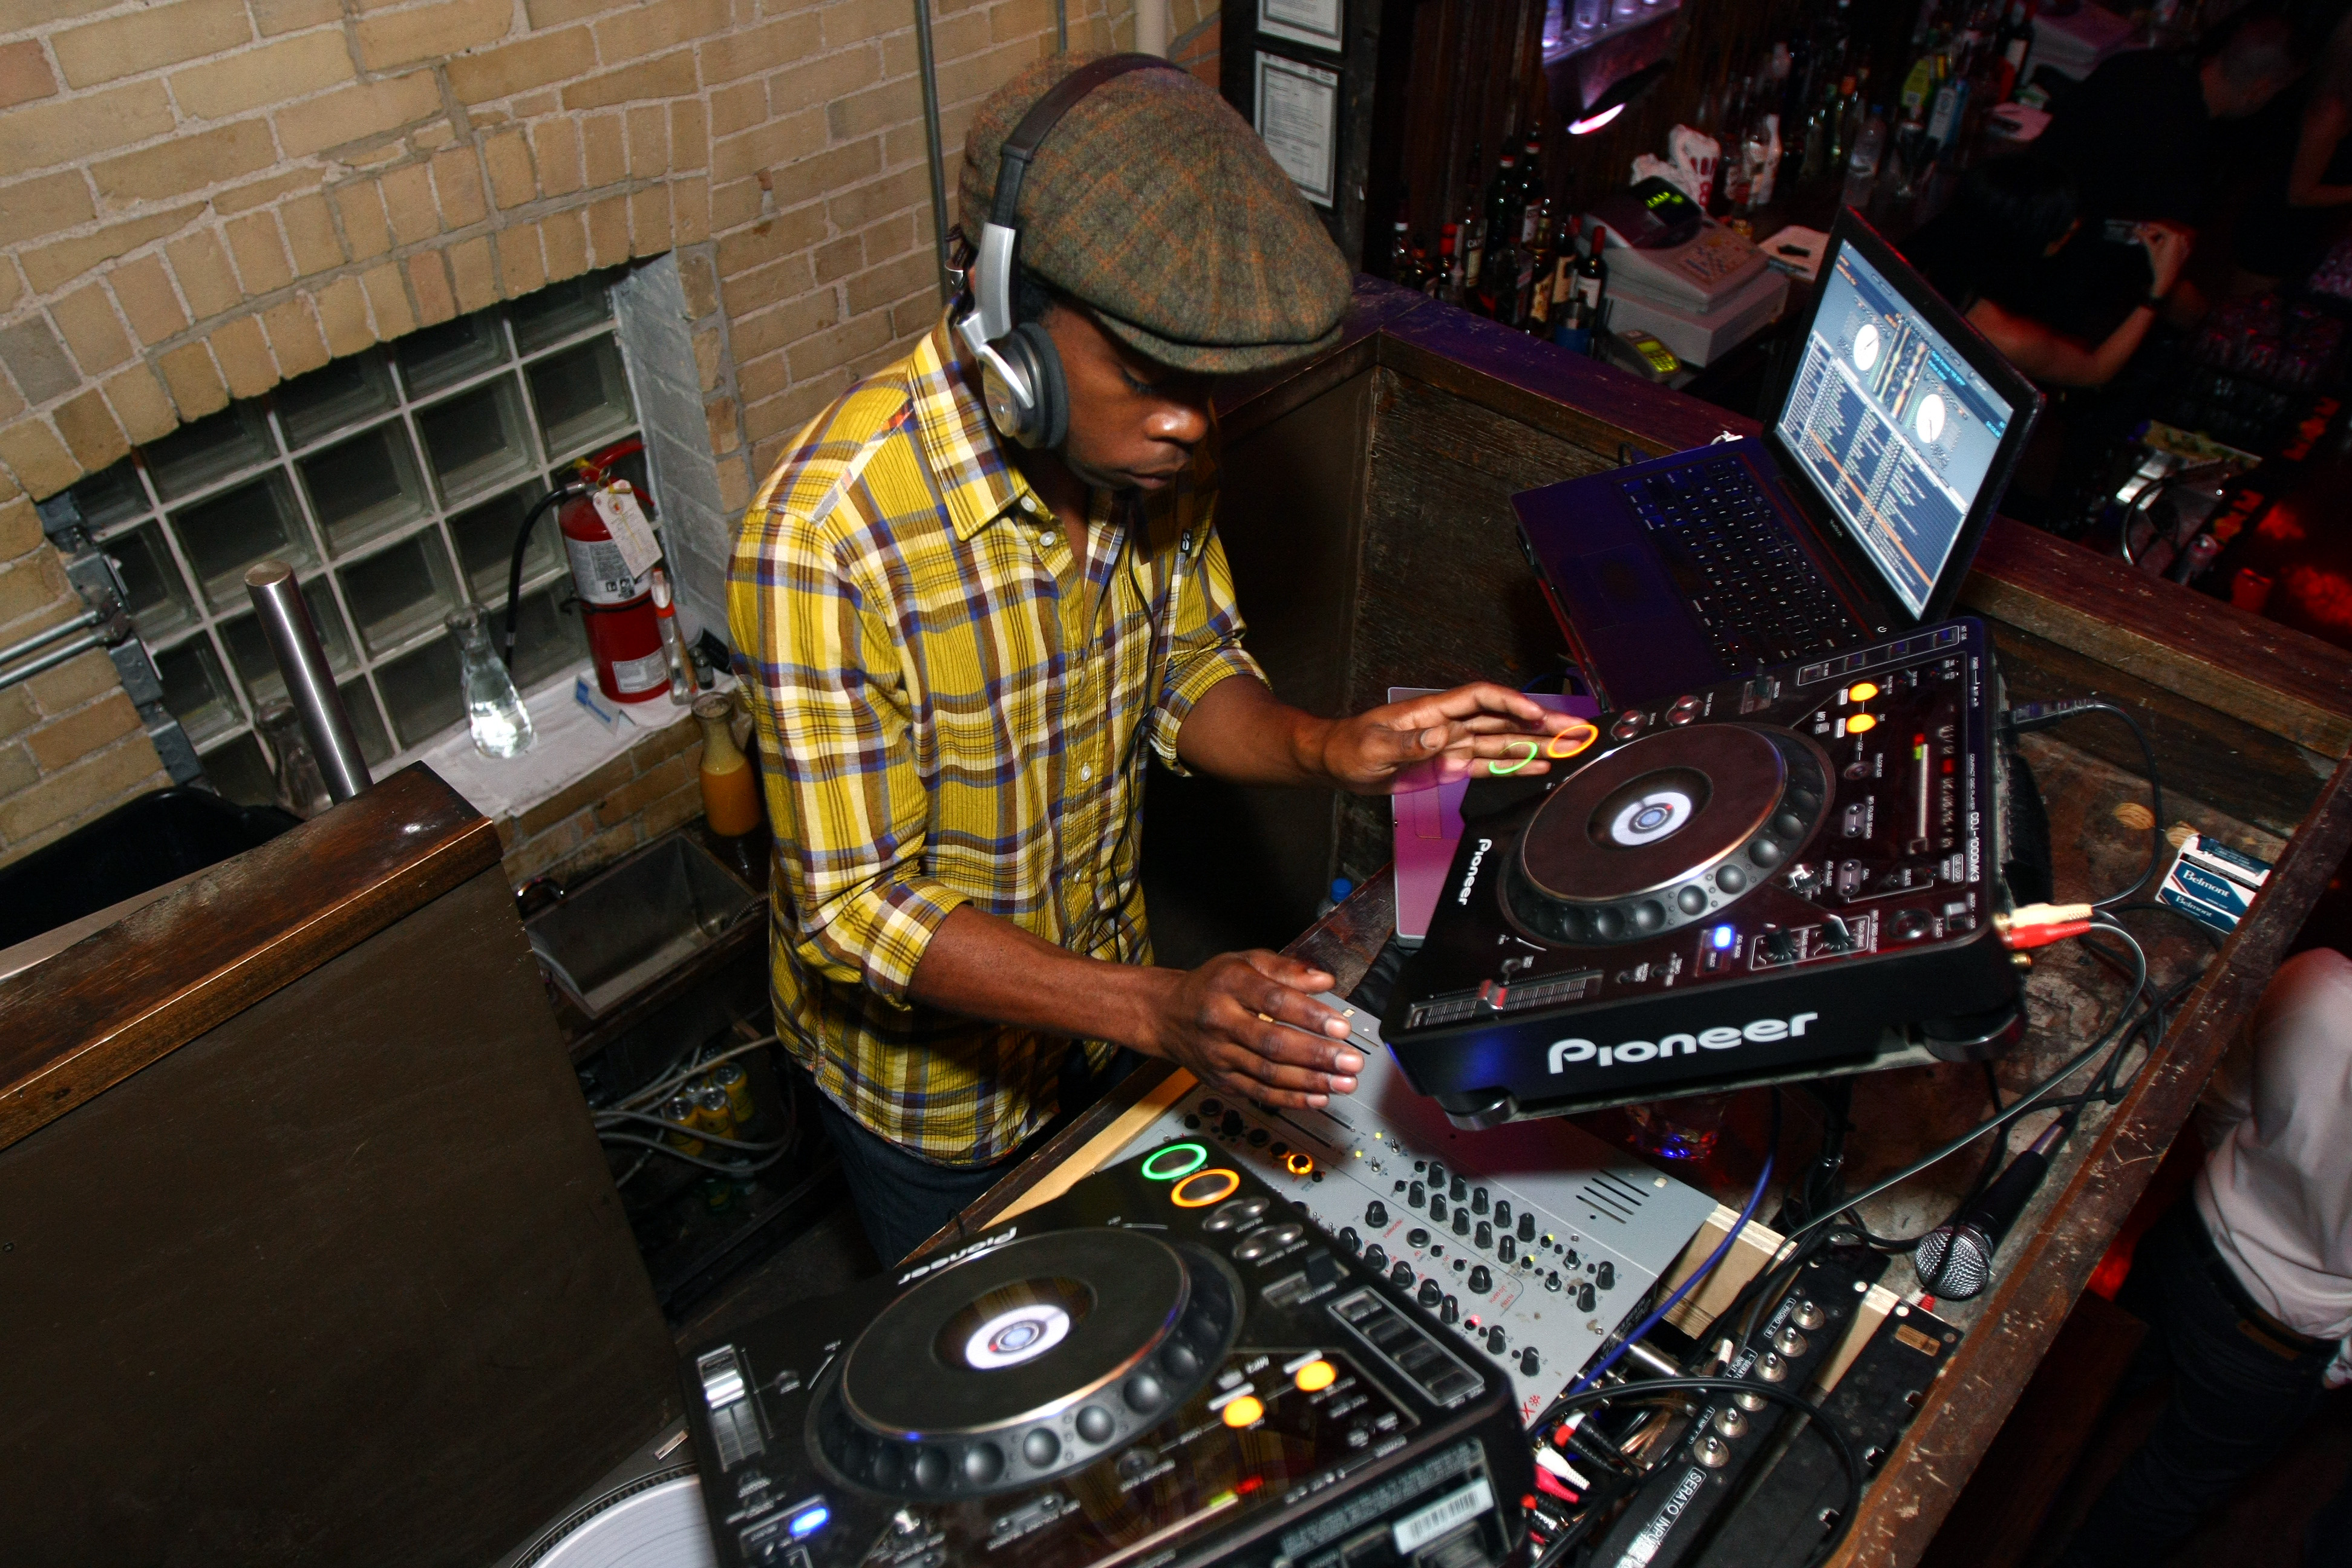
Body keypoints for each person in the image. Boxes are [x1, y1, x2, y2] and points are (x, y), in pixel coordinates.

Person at [728, 54, 1578, 1265]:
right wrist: (1158, 1008)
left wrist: (1332, 747)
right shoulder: (822, 543)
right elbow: (851, 911)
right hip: (938, 1104)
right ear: (1003, 319)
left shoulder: (1151, 457)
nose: (1190, 423)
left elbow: (1184, 672)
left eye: (1208, 386)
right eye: (1146, 377)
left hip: (1106, 1031)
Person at [2054, 947, 2352, 1568]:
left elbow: (2226, 1097)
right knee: (2165, 1486)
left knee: (2085, 1386)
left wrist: (2231, 1184)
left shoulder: (2319, 982)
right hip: (2277, 1340)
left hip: (2188, 1244)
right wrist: (2337, 1366)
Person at [2034, 16, 2301, 325]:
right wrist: (2206, 320)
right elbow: (2145, 262)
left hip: (2022, 221)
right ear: (2260, 89)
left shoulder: (2140, 65)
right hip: (2060, 283)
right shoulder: (2186, 152)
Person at [1906, 154, 2190, 388]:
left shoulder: (1936, 239)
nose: (2073, 225)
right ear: (2026, 235)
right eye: (2060, 222)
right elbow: (2096, 371)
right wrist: (2158, 293)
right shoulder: (2003, 333)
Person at [2235, 11, 2352, 290]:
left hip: (2308, 231)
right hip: (2276, 232)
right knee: (2247, 311)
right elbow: (2299, 194)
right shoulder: (2331, 111)